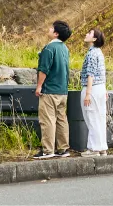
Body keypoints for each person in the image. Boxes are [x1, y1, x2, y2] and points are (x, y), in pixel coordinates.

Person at [33, 20, 71, 159]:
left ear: (55, 34)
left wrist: (39, 86)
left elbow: (44, 69)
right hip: (62, 91)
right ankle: (63, 148)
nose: (48, 29)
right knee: (61, 120)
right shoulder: (65, 49)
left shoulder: (49, 48)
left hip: (50, 90)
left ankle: (48, 150)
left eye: (51, 28)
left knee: (47, 120)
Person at [79, 27, 108, 156]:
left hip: (92, 88)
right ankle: (102, 147)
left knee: (91, 118)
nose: (86, 34)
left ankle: (93, 148)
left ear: (94, 39)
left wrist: (87, 94)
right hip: (100, 88)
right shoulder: (99, 52)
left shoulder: (91, 53)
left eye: (89, 33)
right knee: (100, 118)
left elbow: (90, 74)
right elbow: (101, 72)